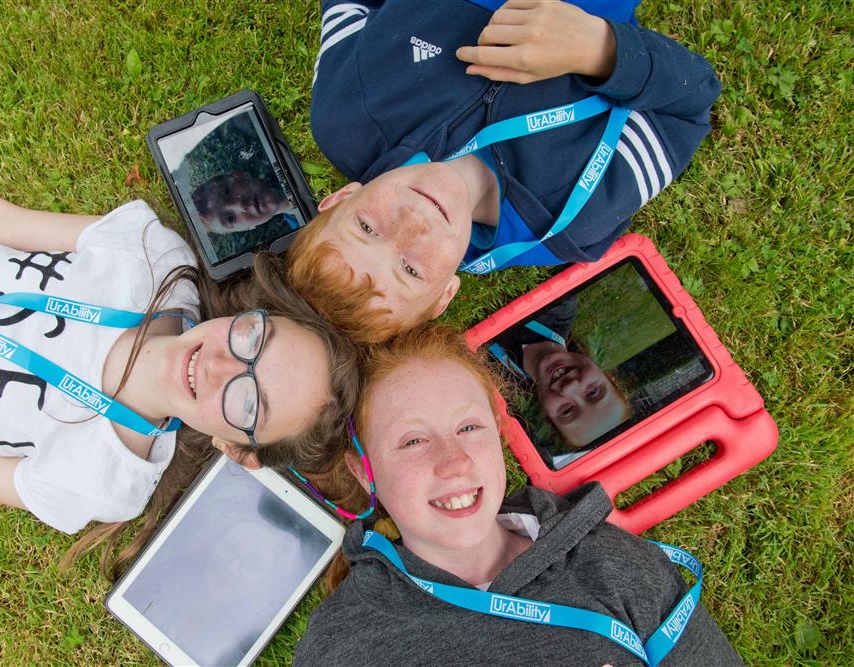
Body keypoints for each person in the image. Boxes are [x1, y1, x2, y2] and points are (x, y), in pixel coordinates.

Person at [0, 169, 359, 543]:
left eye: (248, 403)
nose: (220, 367)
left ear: (235, 448)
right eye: (254, 340)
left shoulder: (105, 480)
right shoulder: (152, 258)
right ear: (258, 313)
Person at [294, 324, 742, 666]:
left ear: (498, 435)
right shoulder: (342, 643)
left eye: (469, 428)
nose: (454, 462)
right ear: (363, 470)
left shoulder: (614, 564)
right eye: (413, 441)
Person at [286, 0, 721, 342]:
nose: (411, 224)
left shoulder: (345, 114)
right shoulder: (575, 222)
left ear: (340, 198)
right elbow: (691, 104)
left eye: (366, 227)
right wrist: (599, 49)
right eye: (411, 270)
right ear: (445, 296)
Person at [489, 295, 631, 457]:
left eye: (567, 410)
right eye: (593, 392)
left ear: (547, 415)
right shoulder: (559, 306)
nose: (570, 387)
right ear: (606, 374)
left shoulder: (490, 383)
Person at [192, 170, 293, 234]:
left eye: (227, 192)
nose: (239, 205)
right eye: (230, 219)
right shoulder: (304, 236)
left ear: (239, 174)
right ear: (248, 228)